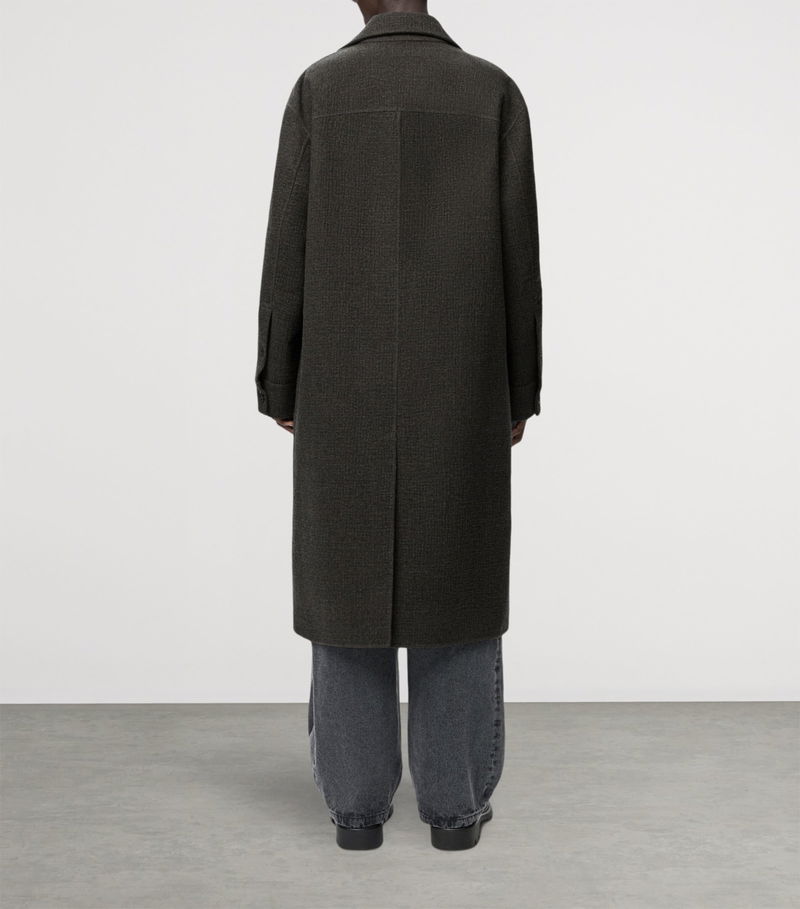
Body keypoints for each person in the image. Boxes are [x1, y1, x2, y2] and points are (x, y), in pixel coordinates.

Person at [255, 0, 542, 851]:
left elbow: (287, 247)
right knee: (459, 583)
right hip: (464, 381)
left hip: (339, 383)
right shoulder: (492, 92)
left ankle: (356, 812)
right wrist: (519, 390)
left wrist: (279, 379)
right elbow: (519, 258)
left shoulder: (319, 90)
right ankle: (455, 811)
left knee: (346, 586)